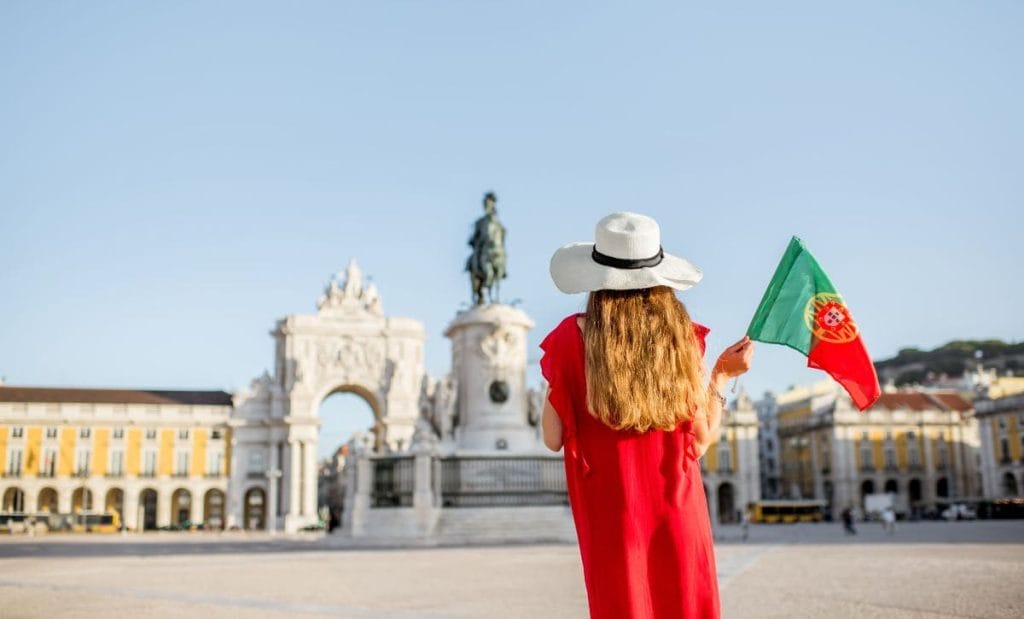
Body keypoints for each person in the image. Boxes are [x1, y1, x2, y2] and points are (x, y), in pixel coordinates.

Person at [540, 212, 754, 619]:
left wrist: (557, 377)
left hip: (612, 520)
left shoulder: (568, 338)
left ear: (597, 277)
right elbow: (701, 439)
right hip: (678, 510)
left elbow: (552, 438)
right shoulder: (681, 338)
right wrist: (722, 378)